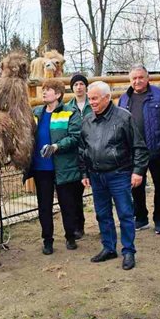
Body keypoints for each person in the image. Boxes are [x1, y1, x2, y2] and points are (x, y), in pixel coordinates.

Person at [79, 81, 149, 270]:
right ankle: (109, 248)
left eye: (94, 98)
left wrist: (138, 171)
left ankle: (128, 251)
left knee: (126, 214)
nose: (91, 102)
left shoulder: (123, 118)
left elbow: (139, 146)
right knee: (102, 214)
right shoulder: (87, 120)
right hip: (96, 175)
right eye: (89, 98)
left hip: (119, 174)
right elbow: (82, 149)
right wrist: (84, 172)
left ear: (107, 98)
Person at [118, 65, 160, 234]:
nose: (137, 81)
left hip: (156, 149)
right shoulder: (124, 99)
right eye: (134, 78)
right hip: (134, 152)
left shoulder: (159, 95)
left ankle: (159, 220)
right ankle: (141, 218)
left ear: (147, 78)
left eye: (140, 77)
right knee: (136, 186)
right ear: (130, 80)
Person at [27, 79, 83, 255]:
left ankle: (70, 236)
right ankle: (47, 240)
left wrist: (57, 146)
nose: (44, 93)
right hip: (41, 169)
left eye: (48, 90)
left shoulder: (70, 113)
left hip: (63, 167)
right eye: (43, 90)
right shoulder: (36, 113)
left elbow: (75, 137)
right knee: (44, 206)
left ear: (58, 94)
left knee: (68, 204)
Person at [66, 73, 93, 239]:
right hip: (76, 153)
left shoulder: (94, 103)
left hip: (94, 148)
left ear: (86, 86)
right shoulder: (68, 107)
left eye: (81, 84)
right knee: (76, 193)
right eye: (75, 85)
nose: (79, 87)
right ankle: (78, 225)